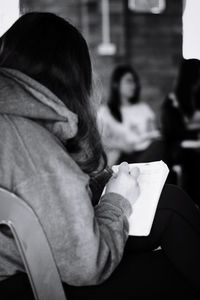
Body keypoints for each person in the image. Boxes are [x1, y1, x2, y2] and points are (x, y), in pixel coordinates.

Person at [0, 12, 199, 300]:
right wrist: (116, 200)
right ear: (68, 74)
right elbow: (86, 264)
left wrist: (102, 181)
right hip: (31, 283)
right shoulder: (27, 139)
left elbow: (49, 203)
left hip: (29, 265)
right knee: (175, 257)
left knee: (171, 202)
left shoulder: (15, 122)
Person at [97, 65, 163, 166]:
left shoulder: (143, 108)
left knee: (159, 145)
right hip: (125, 157)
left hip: (148, 151)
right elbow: (99, 139)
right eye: (129, 81)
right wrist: (120, 145)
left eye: (134, 82)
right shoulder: (105, 112)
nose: (133, 86)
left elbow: (153, 133)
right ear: (116, 84)